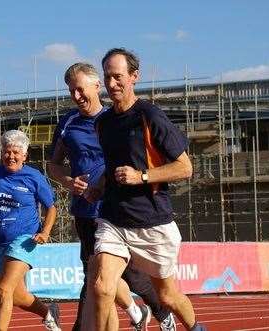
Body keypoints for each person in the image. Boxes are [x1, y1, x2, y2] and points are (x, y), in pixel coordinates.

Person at [48, 62, 176, 331]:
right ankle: (134, 311)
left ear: (97, 86)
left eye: (81, 90)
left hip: (117, 210)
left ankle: (161, 312)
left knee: (133, 278)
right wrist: (68, 181)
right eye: (71, 91)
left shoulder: (113, 119)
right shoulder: (68, 122)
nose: (76, 96)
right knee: (95, 278)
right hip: (84, 212)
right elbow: (54, 166)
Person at [88, 48, 206, 331]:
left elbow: (185, 168)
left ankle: (197, 328)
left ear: (134, 77)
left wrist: (141, 176)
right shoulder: (103, 123)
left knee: (167, 296)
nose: (112, 84)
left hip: (151, 222)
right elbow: (114, 165)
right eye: (107, 77)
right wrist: (98, 185)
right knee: (103, 287)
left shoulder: (150, 115)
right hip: (114, 219)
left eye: (118, 77)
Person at [0, 130, 61, 331]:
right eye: (7, 152)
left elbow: (51, 207)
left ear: (25, 155)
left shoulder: (34, 177)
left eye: (16, 153)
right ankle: (48, 312)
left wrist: (45, 232)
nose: (11, 156)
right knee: (17, 296)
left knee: (3, 290)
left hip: (24, 240)